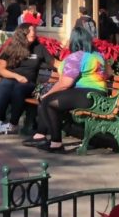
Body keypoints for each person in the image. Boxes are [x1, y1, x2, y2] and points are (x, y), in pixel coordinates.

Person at [24, 24, 108, 153]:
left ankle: (55, 143)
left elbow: (65, 83)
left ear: (74, 40)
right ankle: (49, 140)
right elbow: (109, 73)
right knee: (49, 101)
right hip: (99, 94)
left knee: (48, 102)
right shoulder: (98, 55)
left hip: (86, 95)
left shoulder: (77, 57)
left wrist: (47, 95)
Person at [0, 24, 52, 134]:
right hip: (13, 79)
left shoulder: (39, 48)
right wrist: (17, 76)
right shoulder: (12, 48)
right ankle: (0, 118)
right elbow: (2, 70)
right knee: (3, 86)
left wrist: (69, 65)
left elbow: (53, 62)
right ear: (22, 33)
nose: (33, 32)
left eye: (34, 30)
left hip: (29, 83)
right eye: (30, 30)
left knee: (18, 89)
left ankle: (13, 124)